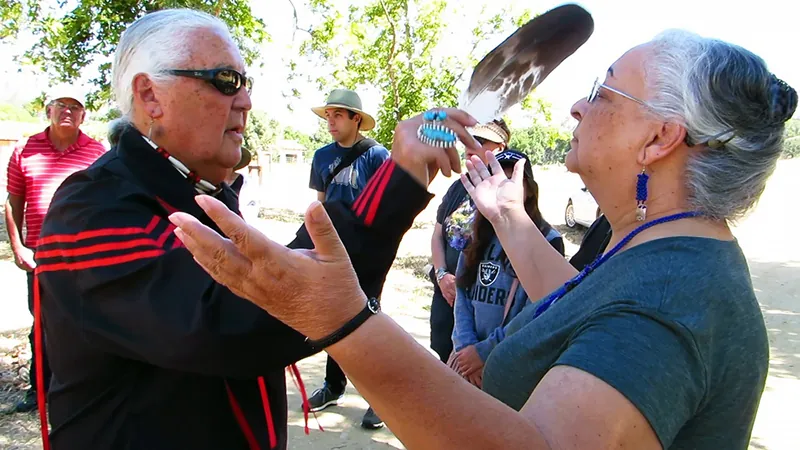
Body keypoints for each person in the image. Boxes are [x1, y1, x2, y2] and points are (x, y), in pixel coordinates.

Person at [175, 29, 797, 450]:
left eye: (603, 92)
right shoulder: (667, 253)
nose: (577, 107)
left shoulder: (670, 298)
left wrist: (344, 322)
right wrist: (506, 216)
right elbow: (584, 307)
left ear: (659, 140)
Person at [33, 9, 477, 450]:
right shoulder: (92, 209)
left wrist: (399, 181)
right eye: (225, 81)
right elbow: (233, 324)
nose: (244, 102)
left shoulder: (192, 191)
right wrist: (395, 184)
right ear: (150, 96)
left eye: (246, 85)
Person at [3, 87, 106, 414]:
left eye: (75, 107)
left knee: (86, 318)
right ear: (48, 109)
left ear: (83, 115)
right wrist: (18, 246)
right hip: (39, 255)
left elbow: (106, 201)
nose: (68, 111)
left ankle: (85, 384)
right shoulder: (25, 148)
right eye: (62, 105)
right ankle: (40, 389)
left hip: (83, 254)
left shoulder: (96, 151)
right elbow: (13, 201)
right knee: (42, 323)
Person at [306, 88, 391, 428]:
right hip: (333, 249)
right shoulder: (321, 156)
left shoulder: (377, 156)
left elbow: (387, 206)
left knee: (369, 321)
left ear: (357, 119)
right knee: (335, 320)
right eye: (328, 114)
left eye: (338, 114)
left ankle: (379, 399)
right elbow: (320, 204)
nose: (331, 121)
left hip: (368, 250)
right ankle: (333, 386)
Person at [449, 149, 564, 387]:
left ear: (529, 189)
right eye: (495, 180)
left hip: (507, 363)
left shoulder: (546, 240)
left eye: (511, 181)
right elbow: (462, 293)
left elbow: (537, 312)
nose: (501, 188)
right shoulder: (475, 235)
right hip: (466, 361)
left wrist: (484, 352)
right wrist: (465, 347)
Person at [429, 119, 510, 363]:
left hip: (482, 302)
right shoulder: (458, 187)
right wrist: (441, 274)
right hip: (446, 292)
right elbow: (437, 234)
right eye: (467, 139)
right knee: (443, 356)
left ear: (501, 148)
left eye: (481, 140)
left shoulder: (510, 192)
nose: (470, 145)